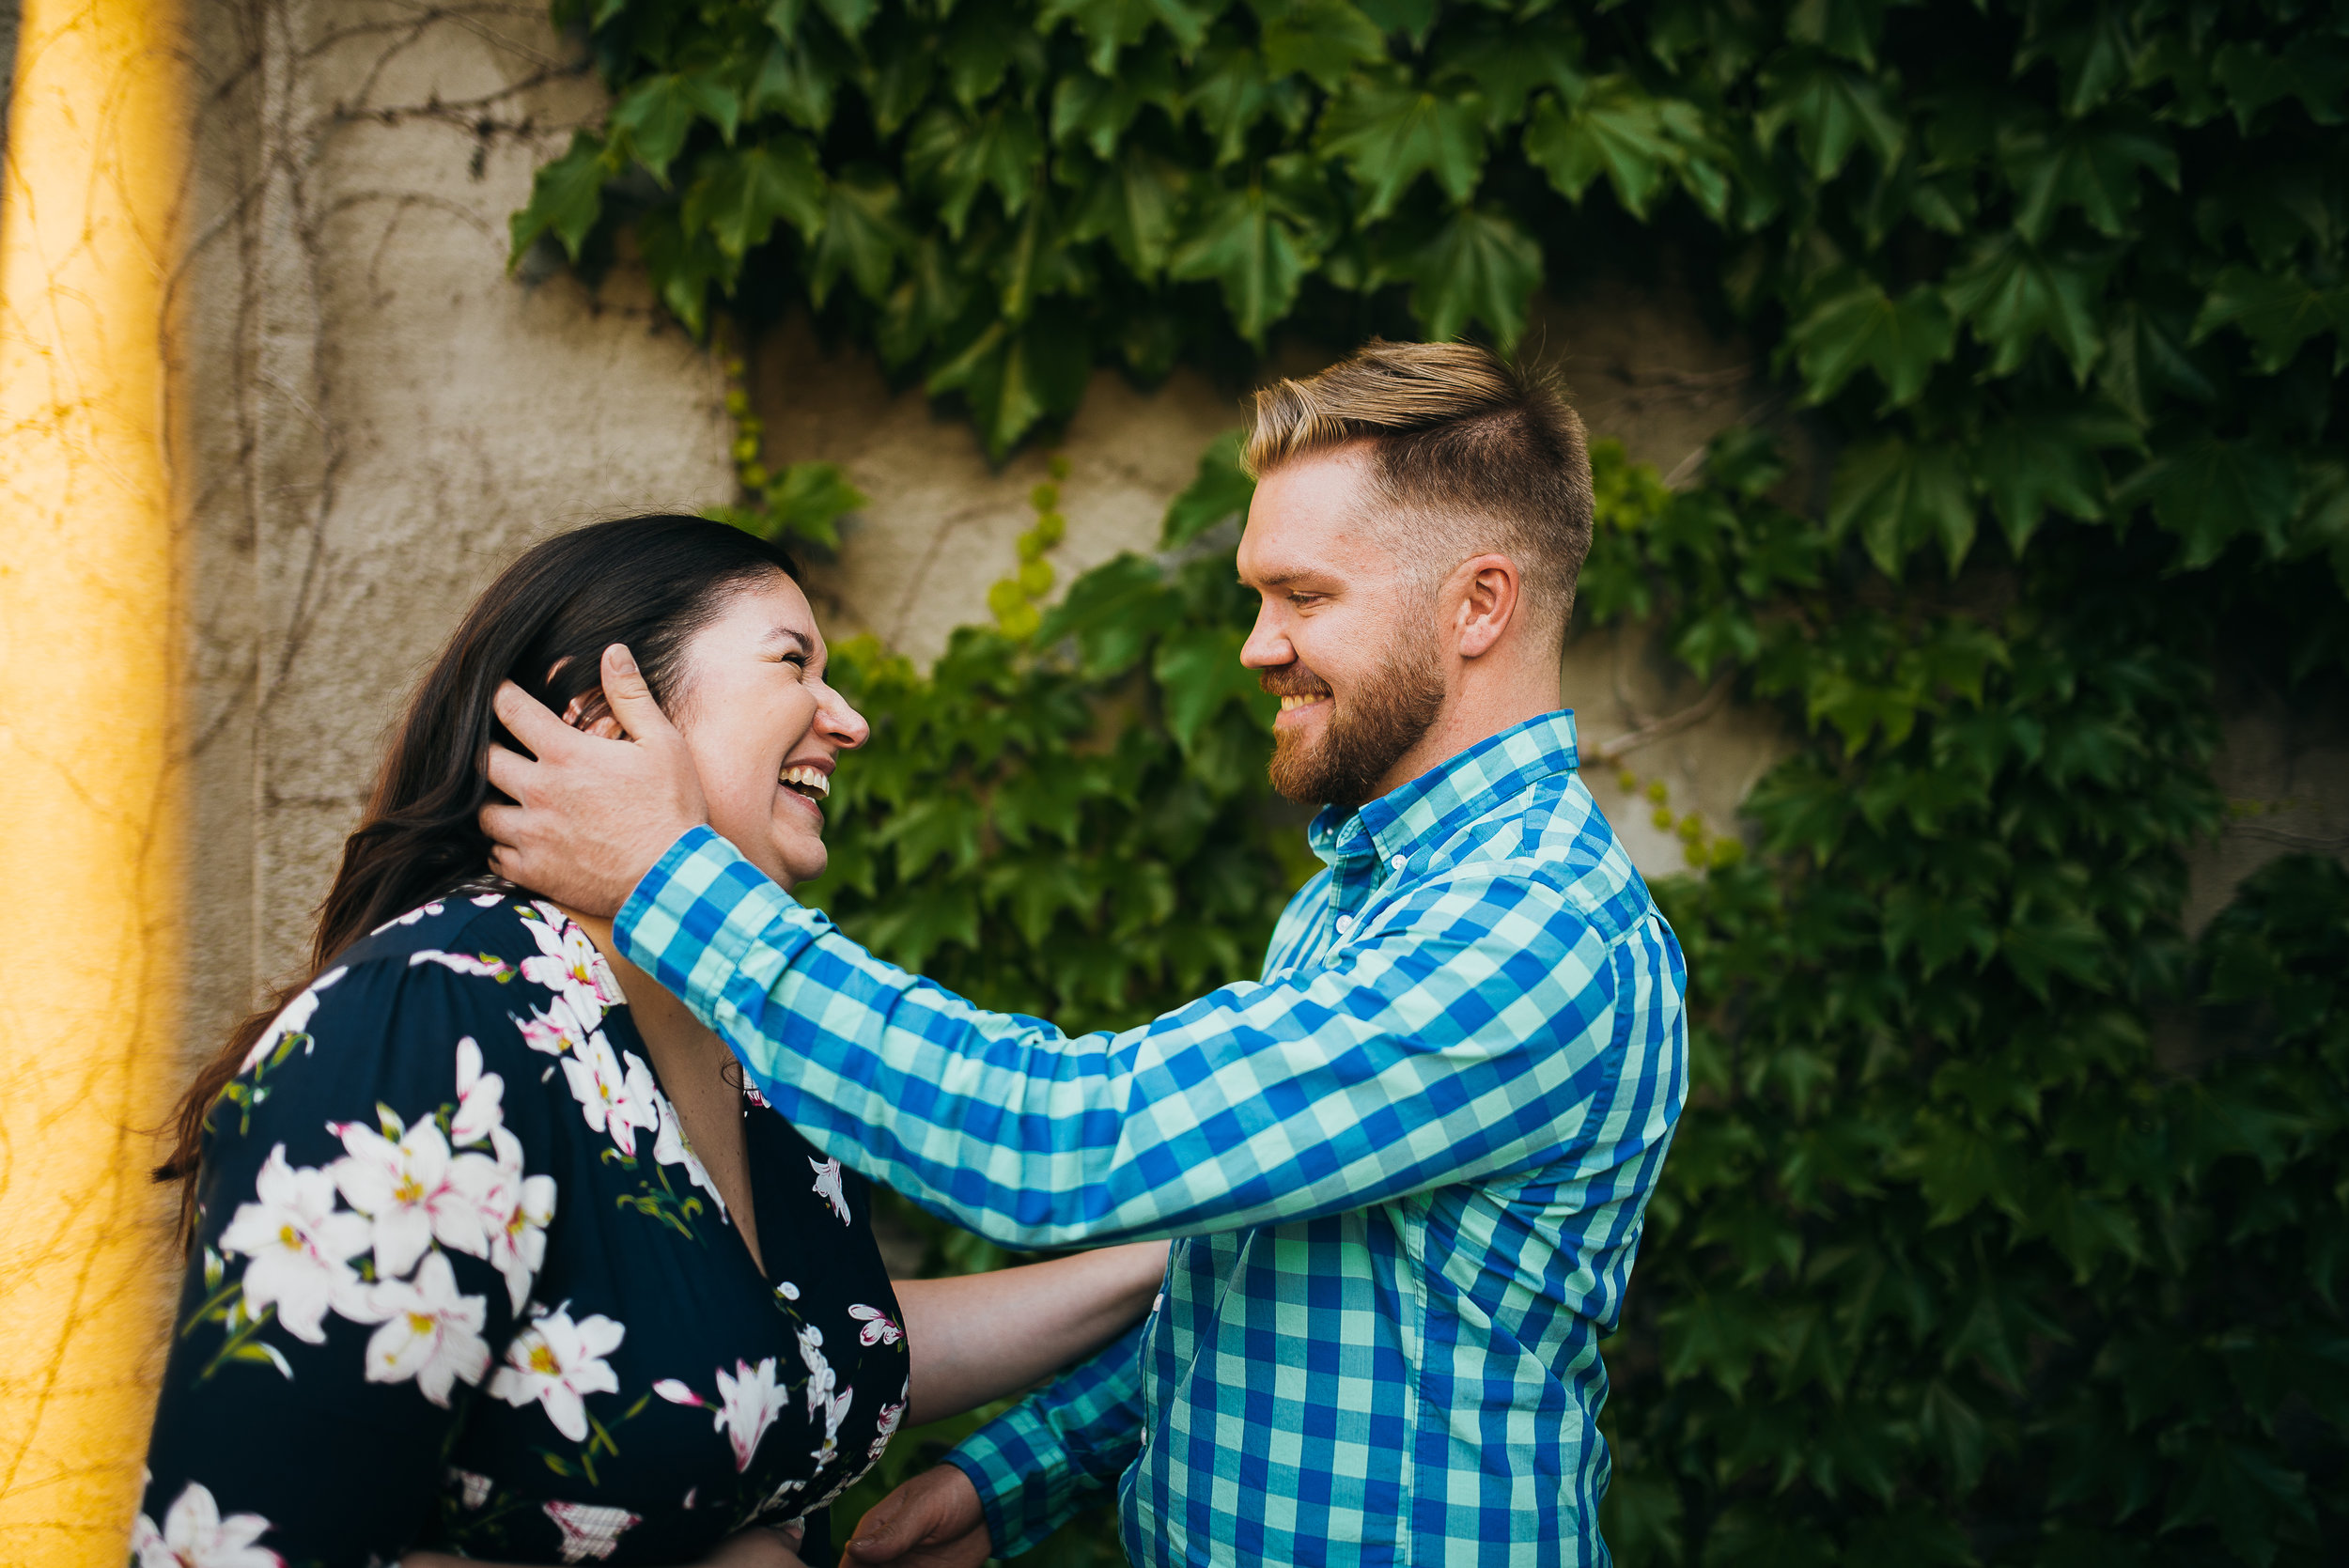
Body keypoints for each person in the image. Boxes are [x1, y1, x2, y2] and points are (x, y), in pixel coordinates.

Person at [479, 341, 1691, 1566]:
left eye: (1304, 596)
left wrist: (668, 878)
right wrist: (1024, 1469)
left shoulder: (1530, 931)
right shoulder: (1370, 893)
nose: (1257, 644)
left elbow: (1069, 1137)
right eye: (1257, 596)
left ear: (1479, 603)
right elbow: (1271, 1280)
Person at [140, 516, 1168, 1568]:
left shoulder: (738, 1035)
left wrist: (1175, 1256)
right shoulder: (434, 1021)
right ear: (598, 719)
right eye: (791, 663)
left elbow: (817, 1348)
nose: (847, 720)